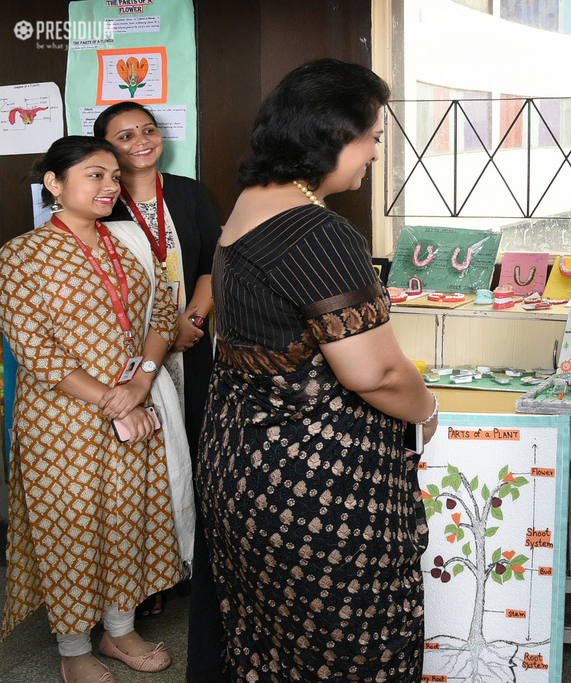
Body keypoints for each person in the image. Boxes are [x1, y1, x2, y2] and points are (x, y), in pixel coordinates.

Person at [196, 58, 439, 682]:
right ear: (332, 136)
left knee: (269, 644)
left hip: (243, 471)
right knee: (351, 648)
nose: (376, 155)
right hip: (316, 490)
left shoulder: (248, 206)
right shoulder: (317, 233)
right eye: (374, 138)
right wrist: (427, 408)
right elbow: (375, 374)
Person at [0, 136, 184, 682]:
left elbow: (164, 315)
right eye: (94, 175)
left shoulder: (126, 245)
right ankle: (74, 647)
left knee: (129, 518)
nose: (110, 186)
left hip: (131, 411)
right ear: (54, 185)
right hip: (62, 422)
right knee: (71, 529)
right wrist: (112, 398)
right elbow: (34, 349)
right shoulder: (19, 255)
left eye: (113, 176)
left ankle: (119, 629)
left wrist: (141, 383)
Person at [93, 101, 224, 681]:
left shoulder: (190, 192)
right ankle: (144, 581)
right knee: (143, 462)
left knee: (193, 449)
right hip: (126, 354)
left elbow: (213, 260)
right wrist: (155, 334)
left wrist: (191, 321)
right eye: (125, 135)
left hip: (190, 345)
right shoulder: (99, 197)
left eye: (148, 130)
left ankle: (192, 567)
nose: (141, 141)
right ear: (105, 149)